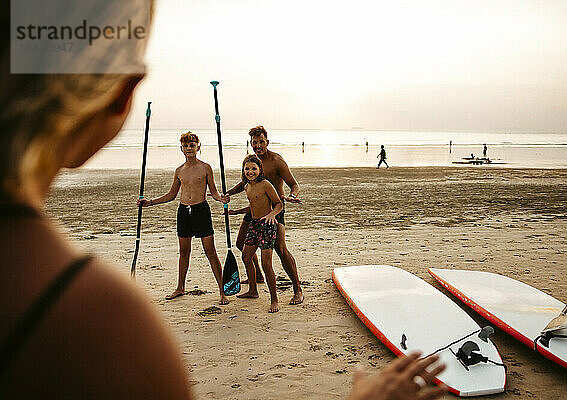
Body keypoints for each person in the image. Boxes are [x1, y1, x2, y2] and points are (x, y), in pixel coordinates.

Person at [0, 2, 447, 398]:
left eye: (259, 143)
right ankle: (249, 286)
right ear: (121, 96)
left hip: (274, 214)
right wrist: (221, 200)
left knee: (275, 252)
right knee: (242, 249)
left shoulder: (273, 163)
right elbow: (232, 188)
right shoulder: (116, 323)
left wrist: (281, 201)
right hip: (234, 212)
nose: (255, 150)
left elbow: (283, 185)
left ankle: (288, 288)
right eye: (252, 145)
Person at [137, 132, 230, 305]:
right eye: (186, 146)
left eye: (192, 145)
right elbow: (171, 195)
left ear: (198, 147)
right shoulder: (179, 170)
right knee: (184, 252)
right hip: (183, 212)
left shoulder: (206, 168)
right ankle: (180, 287)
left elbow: (215, 192)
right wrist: (149, 202)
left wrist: (221, 199)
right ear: (181, 148)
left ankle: (222, 291)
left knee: (211, 252)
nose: (189, 148)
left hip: (201, 210)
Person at [226, 125, 304, 305]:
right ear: (251, 144)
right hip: (254, 211)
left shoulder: (276, 161)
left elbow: (294, 184)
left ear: (267, 142)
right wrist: (227, 194)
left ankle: (297, 289)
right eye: (255, 142)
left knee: (281, 249)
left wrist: (292, 196)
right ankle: (257, 278)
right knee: (240, 243)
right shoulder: (252, 163)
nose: (258, 145)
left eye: (261, 142)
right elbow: (244, 183)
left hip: (274, 210)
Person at [234, 155, 283, 313]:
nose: (250, 171)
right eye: (247, 168)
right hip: (254, 225)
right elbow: (254, 205)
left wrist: (272, 215)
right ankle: (253, 290)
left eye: (254, 168)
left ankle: (274, 299)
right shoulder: (247, 186)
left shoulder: (265, 184)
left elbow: (278, 204)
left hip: (267, 226)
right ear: (243, 170)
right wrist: (237, 211)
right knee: (246, 257)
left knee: (266, 264)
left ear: (260, 170)